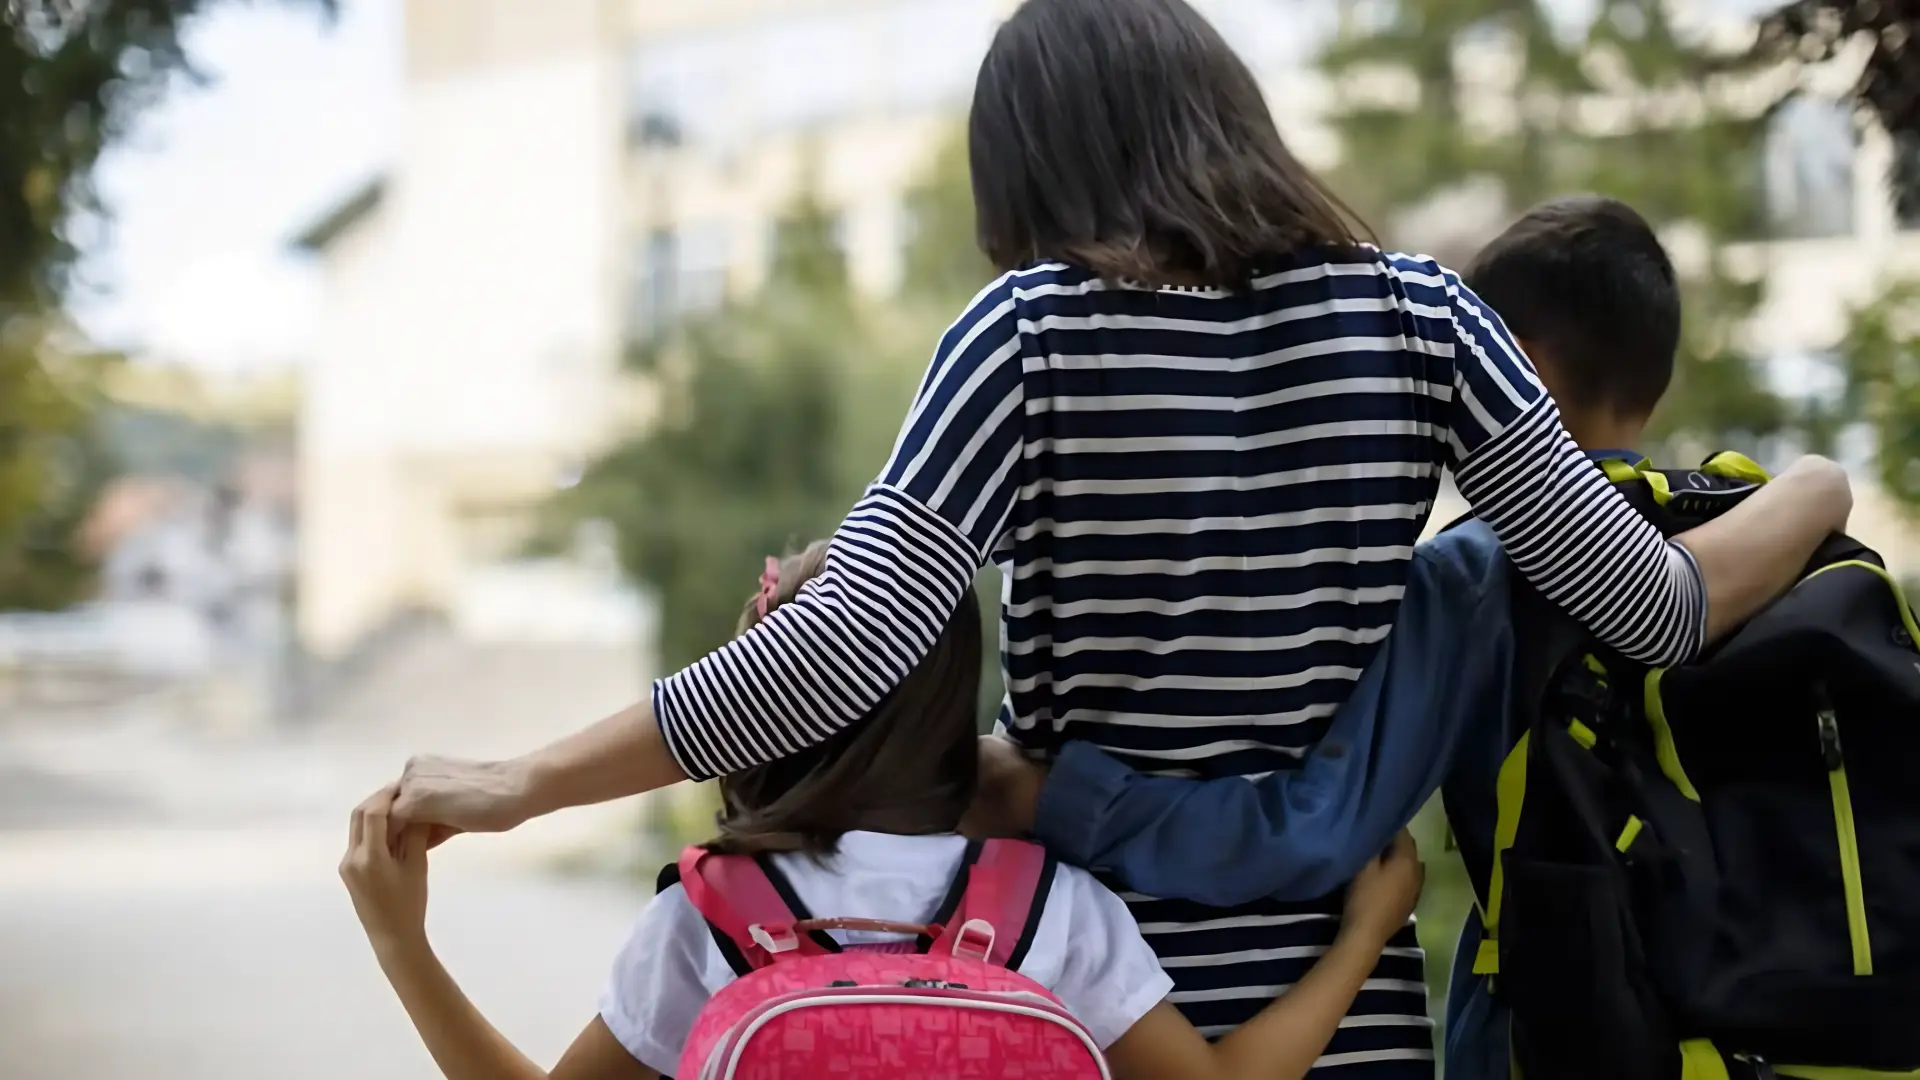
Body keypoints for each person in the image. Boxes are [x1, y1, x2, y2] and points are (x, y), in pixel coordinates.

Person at [385, 1, 1852, 1070]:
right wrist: (1817, 491)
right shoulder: (1425, 320)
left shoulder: (1027, 335)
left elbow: (844, 648)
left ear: (1029, 168)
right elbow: (1655, 607)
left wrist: (525, 778)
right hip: (1351, 1003)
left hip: (1077, 996)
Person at [956, 195, 1739, 1080]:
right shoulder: (1727, 531)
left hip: (1551, 1027)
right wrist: (1820, 488)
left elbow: (1312, 827)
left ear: (1511, 370)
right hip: (1726, 1022)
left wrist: (1046, 799)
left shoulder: (1481, 579)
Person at [341, 542, 1427, 1080]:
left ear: (758, 711)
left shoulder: (710, 922)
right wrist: (1362, 941)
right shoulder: (1052, 908)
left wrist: (402, 941)